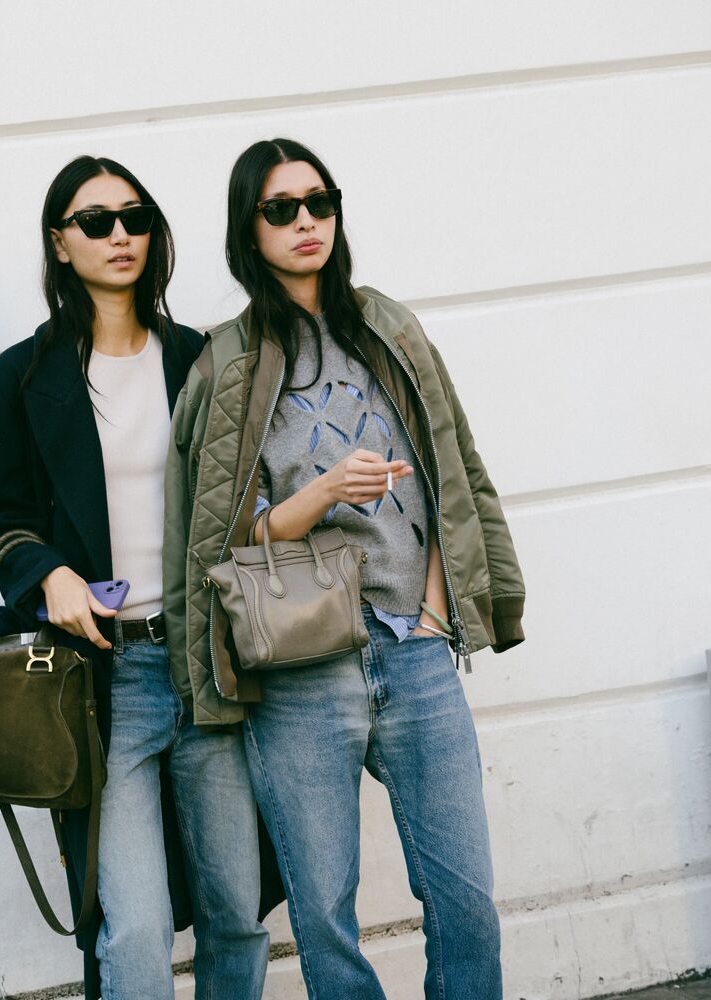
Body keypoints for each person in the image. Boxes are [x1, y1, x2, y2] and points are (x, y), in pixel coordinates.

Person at [163, 137, 525, 999]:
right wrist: (323, 492)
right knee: (326, 918)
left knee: (465, 902)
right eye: (280, 208)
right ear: (248, 230)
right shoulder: (227, 361)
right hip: (302, 667)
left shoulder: (387, 327)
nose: (306, 222)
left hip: (413, 645)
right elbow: (224, 541)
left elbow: (452, 469)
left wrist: (436, 610)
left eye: (319, 202)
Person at [0, 155, 273, 1000]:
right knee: (133, 925)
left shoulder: (201, 360)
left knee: (236, 912)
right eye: (95, 221)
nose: (119, 236)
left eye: (134, 218)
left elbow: (246, 490)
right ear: (59, 242)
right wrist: (48, 575)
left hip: (206, 664)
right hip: (105, 678)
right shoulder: (18, 381)